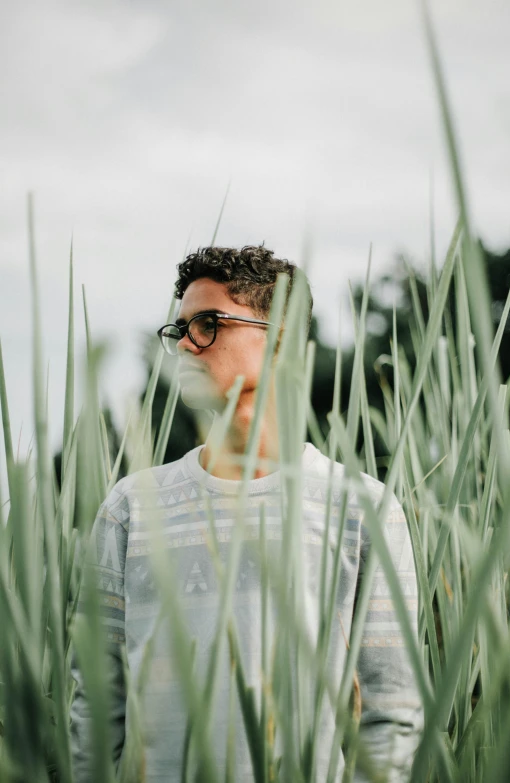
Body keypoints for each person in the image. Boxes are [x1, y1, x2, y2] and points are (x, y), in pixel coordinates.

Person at [70, 245, 423, 782]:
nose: (186, 344)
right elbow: (95, 704)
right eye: (181, 328)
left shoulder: (363, 508)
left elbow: (393, 711)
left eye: (209, 323)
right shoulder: (131, 508)